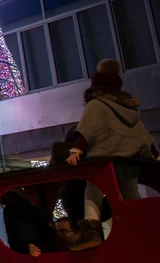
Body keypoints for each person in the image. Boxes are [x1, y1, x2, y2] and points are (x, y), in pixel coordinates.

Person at [66, 59, 160, 248]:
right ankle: (141, 226)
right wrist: (155, 154)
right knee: (130, 191)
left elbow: (88, 129)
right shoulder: (129, 109)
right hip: (129, 162)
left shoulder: (96, 105)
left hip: (105, 161)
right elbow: (141, 134)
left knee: (93, 190)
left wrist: (77, 149)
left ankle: (91, 229)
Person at [0, 189, 56, 257]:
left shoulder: (11, 210)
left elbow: (21, 225)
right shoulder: (33, 207)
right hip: (45, 246)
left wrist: (30, 242)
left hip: (27, 251)